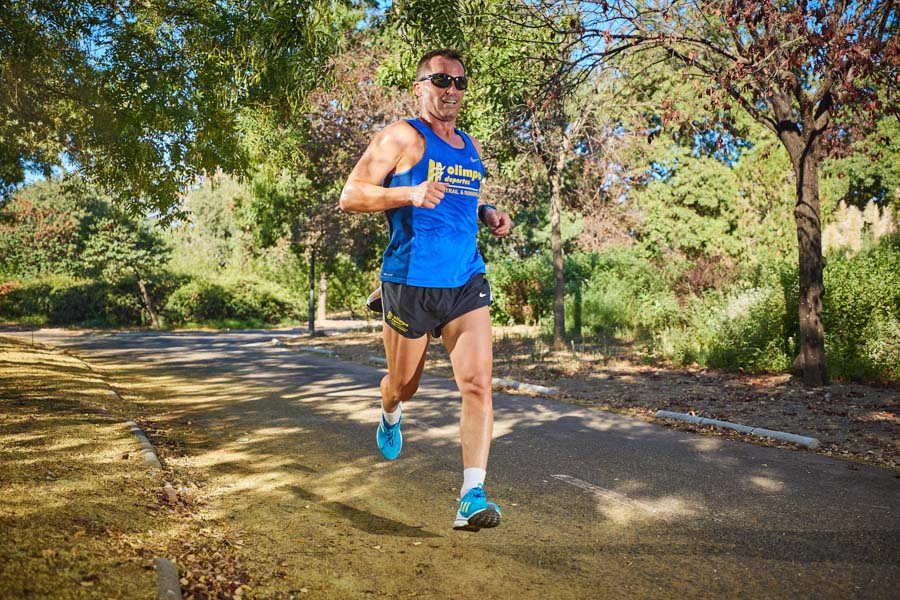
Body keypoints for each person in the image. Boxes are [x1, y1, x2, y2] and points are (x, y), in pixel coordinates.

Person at [339, 48, 512, 531]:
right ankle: (389, 409)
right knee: (405, 386)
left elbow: (462, 198)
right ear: (420, 87)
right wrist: (407, 193)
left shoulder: (469, 146)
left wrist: (488, 213)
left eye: (459, 83)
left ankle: (470, 495)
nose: (451, 90)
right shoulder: (400, 137)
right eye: (441, 81)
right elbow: (350, 195)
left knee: (477, 385)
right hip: (410, 281)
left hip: (464, 281)